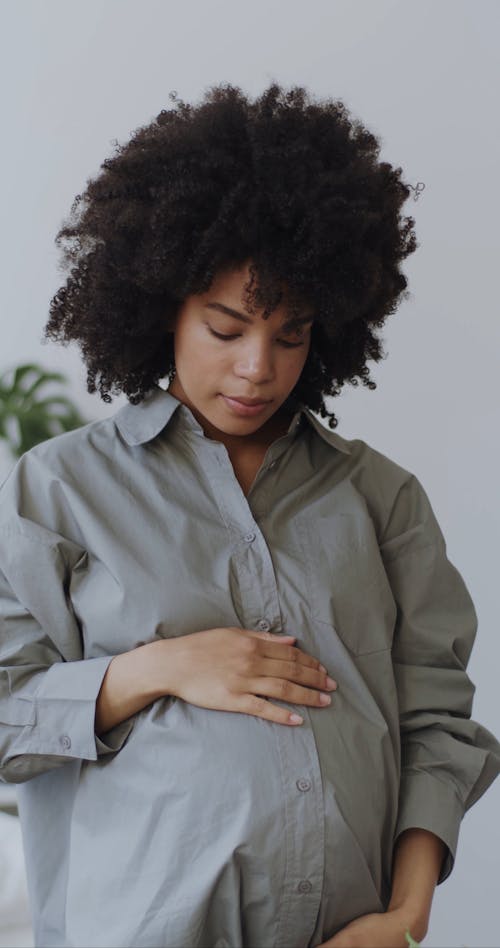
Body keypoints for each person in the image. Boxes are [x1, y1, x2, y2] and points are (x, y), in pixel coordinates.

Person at [0, 82, 499, 948]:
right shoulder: (58, 490)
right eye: (225, 328)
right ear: (164, 307)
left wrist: (407, 919)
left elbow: (438, 728)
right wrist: (157, 667)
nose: (258, 369)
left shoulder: (382, 500)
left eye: (292, 334)